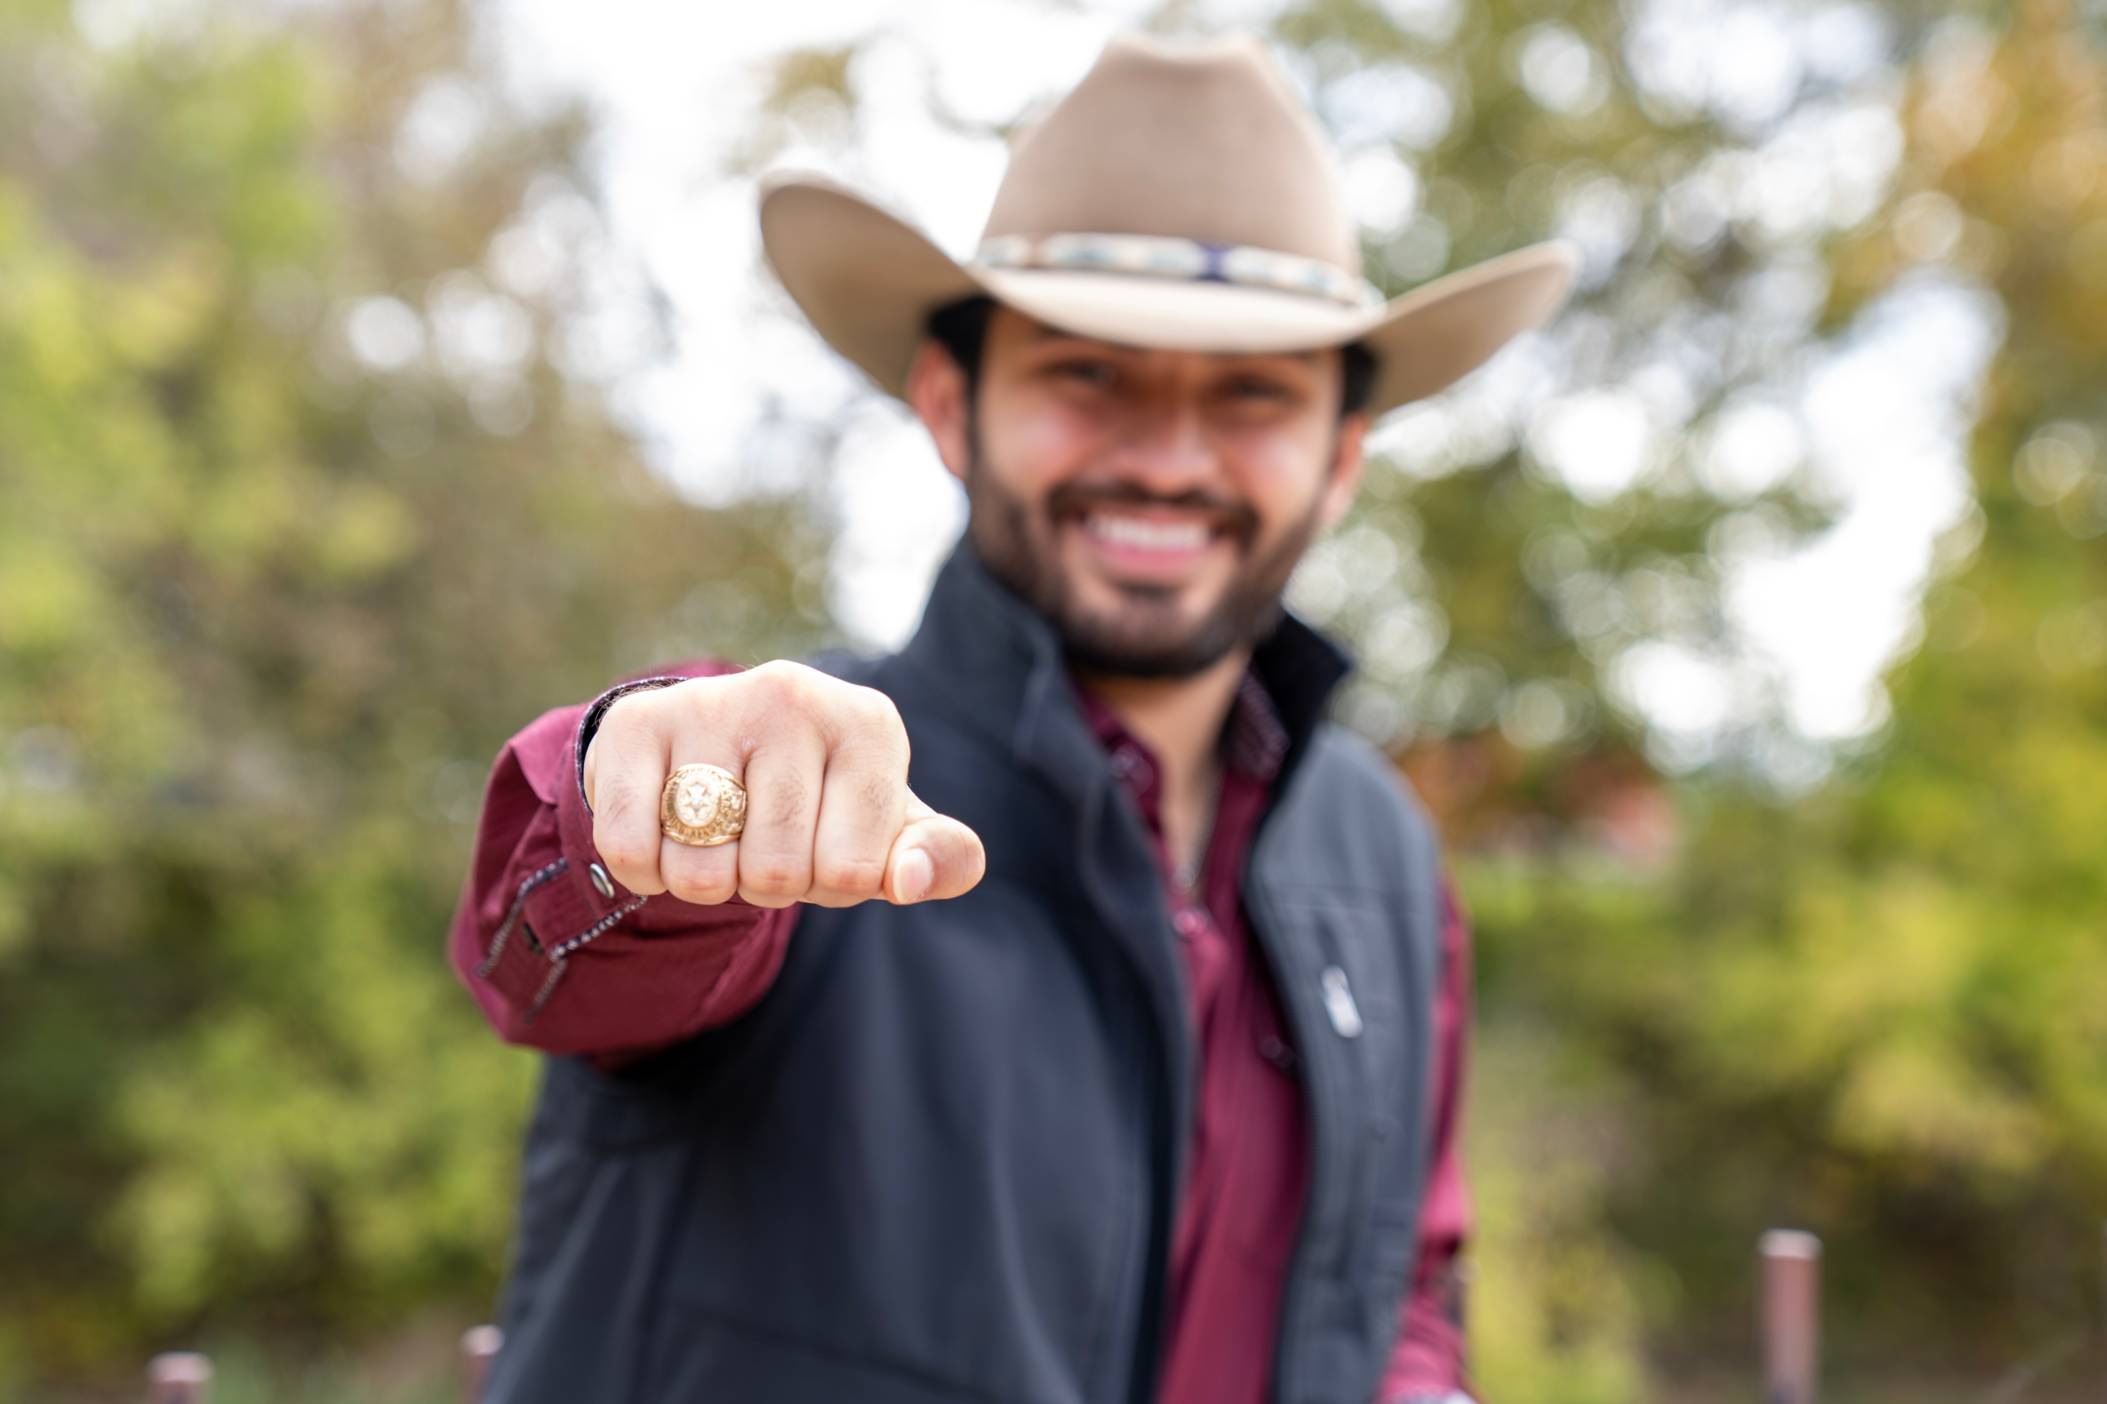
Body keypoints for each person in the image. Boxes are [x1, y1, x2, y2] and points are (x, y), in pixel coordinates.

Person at [448, 31, 1573, 1404]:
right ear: (950, 405)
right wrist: (640, 782)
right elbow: (555, 938)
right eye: (1087, 375)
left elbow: (1400, 1273)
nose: (1165, 458)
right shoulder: (804, 798)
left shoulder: (1383, 855)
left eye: (1252, 395)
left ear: (1340, 460)